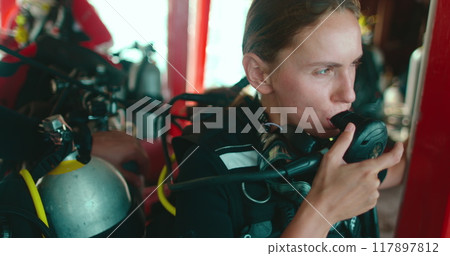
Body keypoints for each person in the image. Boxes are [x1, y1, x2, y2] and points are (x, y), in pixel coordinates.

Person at [172, 0, 404, 238]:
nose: (349, 94)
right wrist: (324, 211)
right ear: (260, 73)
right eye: (324, 70)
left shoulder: (343, 143)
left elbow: (400, 169)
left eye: (354, 64)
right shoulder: (208, 166)